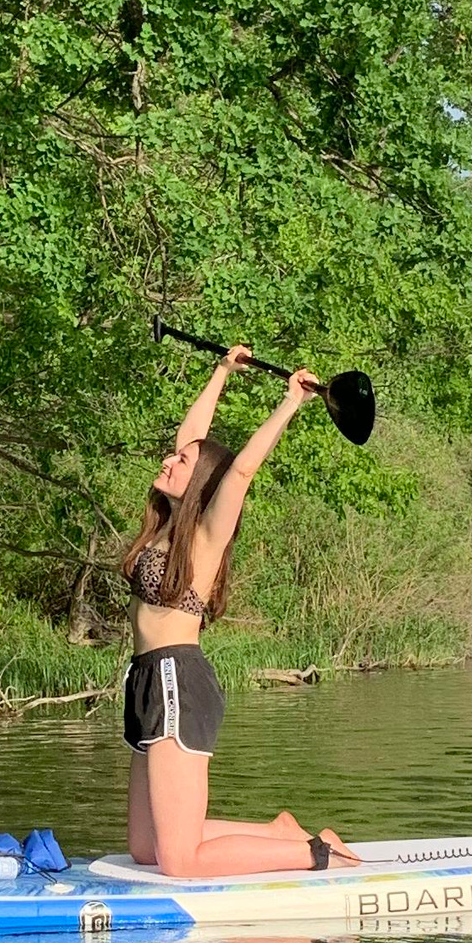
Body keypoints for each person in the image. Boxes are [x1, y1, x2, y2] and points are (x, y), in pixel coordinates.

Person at [121, 344, 358, 878]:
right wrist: (221, 372)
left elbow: (241, 470)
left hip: (178, 677)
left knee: (179, 862)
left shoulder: (206, 537)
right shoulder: (166, 525)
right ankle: (278, 833)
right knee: (145, 848)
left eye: (180, 463)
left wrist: (289, 404)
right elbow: (193, 441)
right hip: (145, 680)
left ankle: (315, 853)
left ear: (200, 480)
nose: (169, 460)